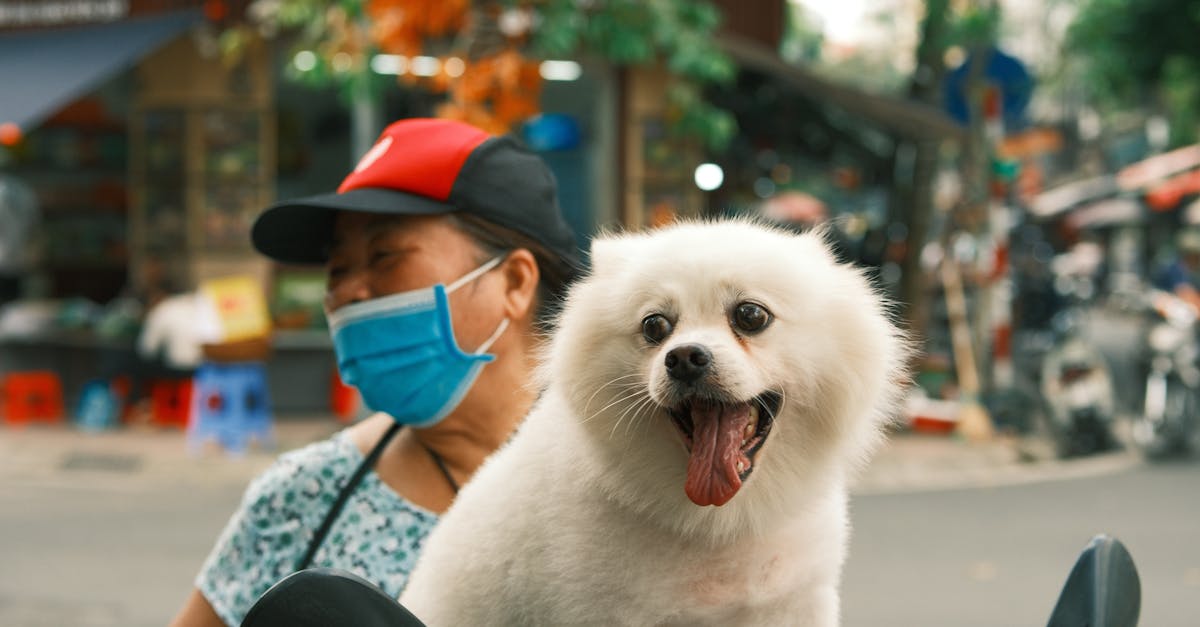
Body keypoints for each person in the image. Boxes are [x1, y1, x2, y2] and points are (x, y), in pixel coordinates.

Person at [169, 118, 579, 627]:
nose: (349, 292)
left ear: (514, 283)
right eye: (337, 270)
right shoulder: (302, 496)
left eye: (384, 256)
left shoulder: (640, 480)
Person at [1155, 228, 1200, 313]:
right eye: (1196, 255)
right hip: (1165, 303)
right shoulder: (1174, 267)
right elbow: (1185, 293)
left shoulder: (1194, 269)